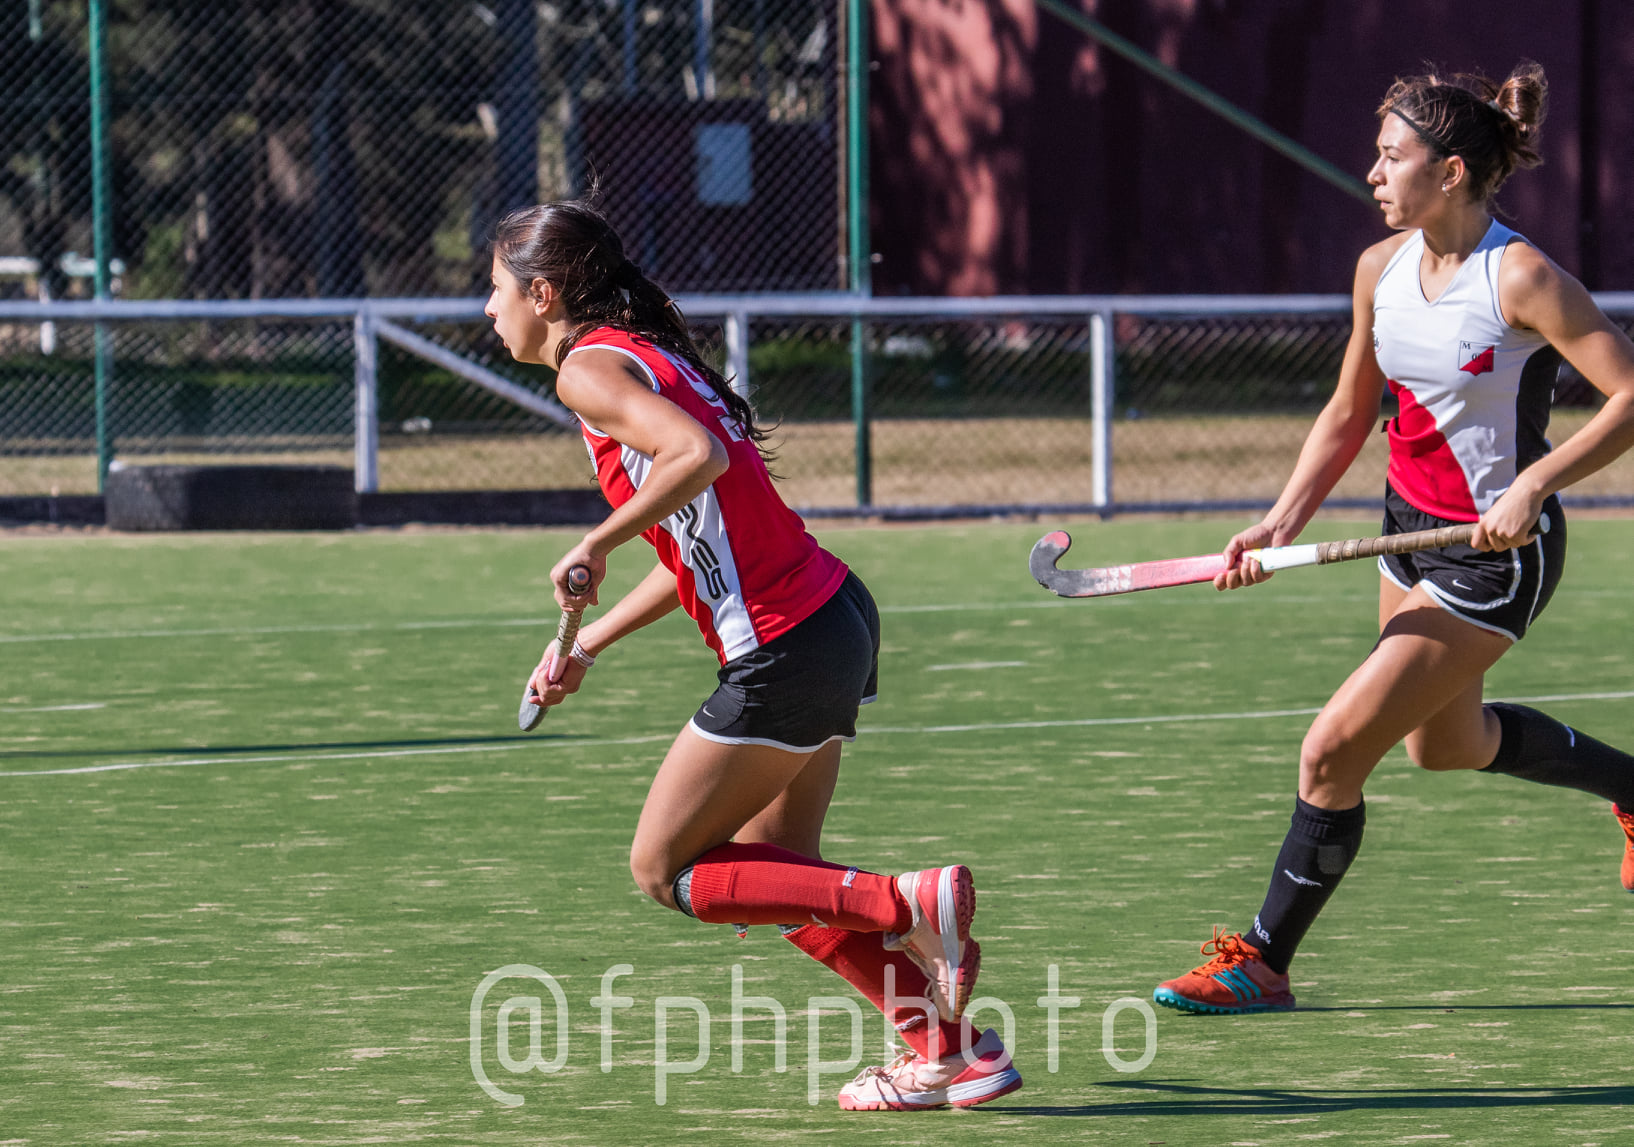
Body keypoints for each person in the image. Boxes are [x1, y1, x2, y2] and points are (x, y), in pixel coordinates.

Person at [485, 200, 1023, 1108]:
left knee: (663, 868)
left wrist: (596, 543)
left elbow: (695, 456)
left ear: (543, 295)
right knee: (775, 873)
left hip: (787, 642)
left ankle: (908, 901)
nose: (487, 307)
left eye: (495, 287)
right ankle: (949, 1052)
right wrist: (590, 643)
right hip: (833, 617)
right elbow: (696, 540)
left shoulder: (587, 371)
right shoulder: (640, 357)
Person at [1154, 62, 1634, 1015]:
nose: (1372, 174)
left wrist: (1535, 483)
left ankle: (1263, 961)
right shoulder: (1379, 268)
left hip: (1496, 555)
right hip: (1406, 534)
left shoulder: (1521, 276)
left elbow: (1629, 394)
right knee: (1447, 746)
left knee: (1331, 751)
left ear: (1450, 172)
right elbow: (1348, 411)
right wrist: (1279, 521)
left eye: (1390, 157)